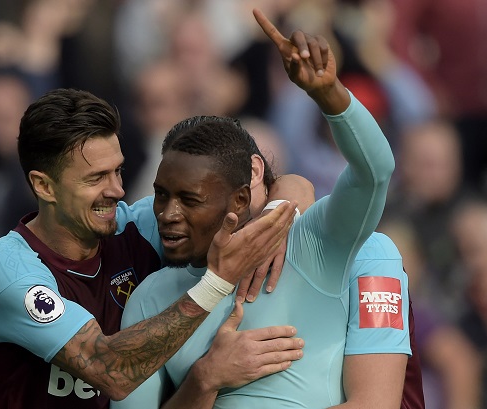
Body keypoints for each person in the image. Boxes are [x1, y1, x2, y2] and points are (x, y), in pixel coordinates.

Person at [112, 9, 407, 408]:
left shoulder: (318, 245)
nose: (166, 213)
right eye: (161, 195)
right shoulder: (151, 297)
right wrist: (204, 379)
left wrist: (329, 95)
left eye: (190, 199)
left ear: (242, 193)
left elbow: (374, 173)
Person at [0, 87, 303, 409]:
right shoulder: (10, 271)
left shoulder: (138, 226)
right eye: (95, 178)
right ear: (44, 186)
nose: (116, 189)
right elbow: (110, 370)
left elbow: (275, 190)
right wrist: (217, 282)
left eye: (118, 170)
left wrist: (283, 209)